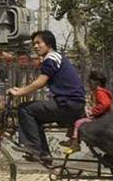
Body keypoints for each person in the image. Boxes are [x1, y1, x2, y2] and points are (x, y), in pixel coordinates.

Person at [8, 30, 85, 163]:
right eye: (34, 44)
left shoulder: (51, 58)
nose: (35, 46)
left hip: (67, 104)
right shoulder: (56, 57)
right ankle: (44, 154)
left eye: (39, 43)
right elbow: (40, 83)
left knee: (25, 109)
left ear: (48, 44)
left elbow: (41, 82)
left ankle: (34, 149)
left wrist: (20, 92)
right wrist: (21, 90)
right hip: (73, 104)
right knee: (35, 117)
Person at [60, 70, 112, 153]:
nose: (89, 85)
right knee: (75, 118)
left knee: (78, 123)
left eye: (90, 83)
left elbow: (105, 104)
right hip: (98, 117)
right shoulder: (96, 92)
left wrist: (93, 112)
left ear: (97, 83)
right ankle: (72, 140)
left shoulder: (100, 92)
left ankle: (75, 144)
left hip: (100, 118)